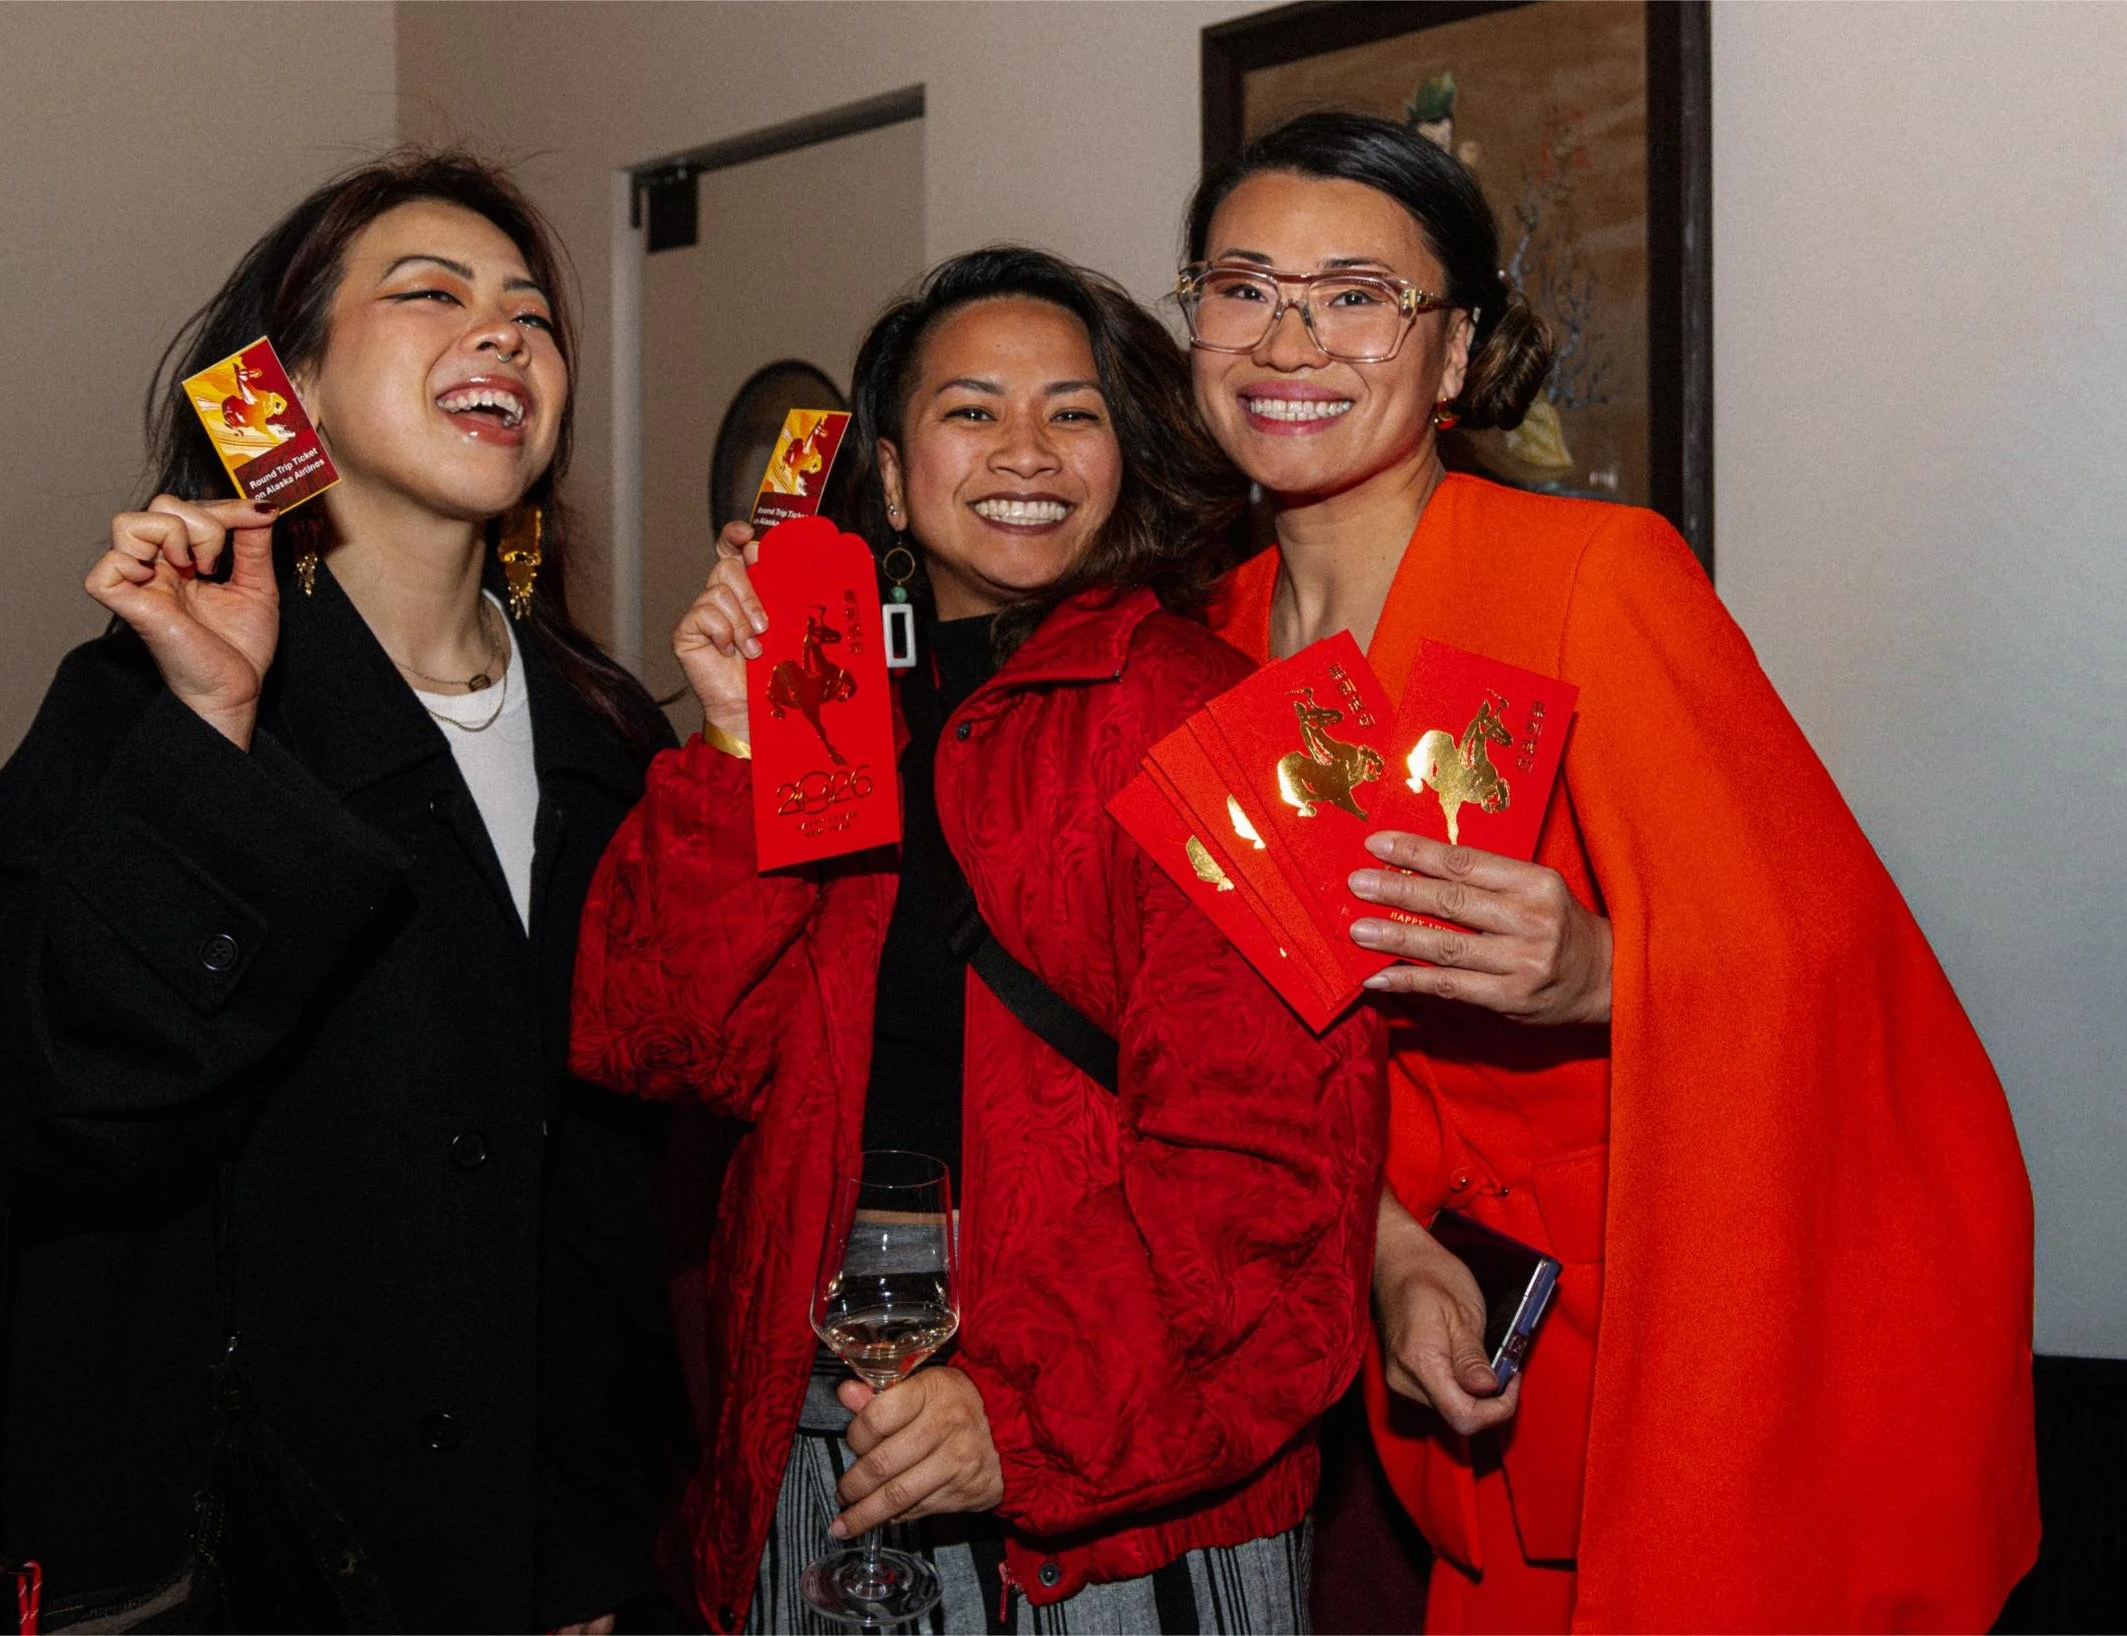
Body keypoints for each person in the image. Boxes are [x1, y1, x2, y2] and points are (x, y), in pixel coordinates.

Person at [1180, 110, 2039, 1631]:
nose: (1289, 336)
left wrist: (1598, 975)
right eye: (1243, 287)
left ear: (1452, 360)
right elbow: (1267, 1046)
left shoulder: (1591, 577)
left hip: (1669, 1324)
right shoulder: (1211, 643)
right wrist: (1383, 1256)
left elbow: (1843, 980)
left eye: (1357, 295)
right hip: (1437, 1337)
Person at [0, 151, 678, 1634]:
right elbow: (51, 1111)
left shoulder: (610, 732)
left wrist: (581, 1524)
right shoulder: (154, 699)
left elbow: (603, 1178)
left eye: (532, 314)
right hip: (240, 1535)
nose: (505, 333)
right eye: (430, 294)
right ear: (283, 396)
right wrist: (212, 736)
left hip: (522, 1522)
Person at [570, 247, 1387, 1634]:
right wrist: (730, 742)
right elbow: (658, 1043)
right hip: (823, 1428)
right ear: (888, 474)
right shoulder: (828, 704)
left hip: (1114, 1479)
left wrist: (1018, 1409)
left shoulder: (1242, 725)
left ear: (1126, 454)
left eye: (1073, 411)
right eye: (971, 410)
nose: (1028, 450)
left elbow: (1278, 1184)